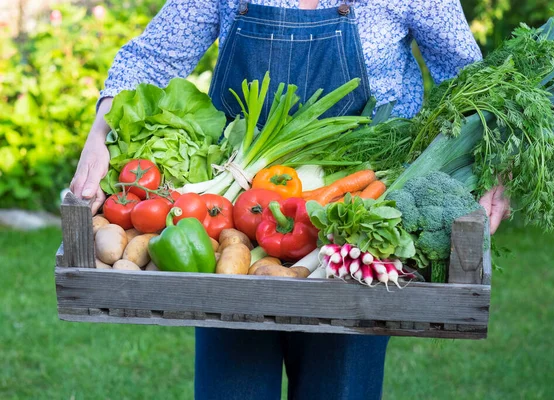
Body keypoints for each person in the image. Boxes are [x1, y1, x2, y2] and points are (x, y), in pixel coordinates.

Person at [70, 1, 510, 398]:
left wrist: (495, 163)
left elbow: (466, 75)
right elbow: (152, 57)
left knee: (339, 386)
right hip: (239, 223)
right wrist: (99, 133)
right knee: (233, 387)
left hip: (358, 227)